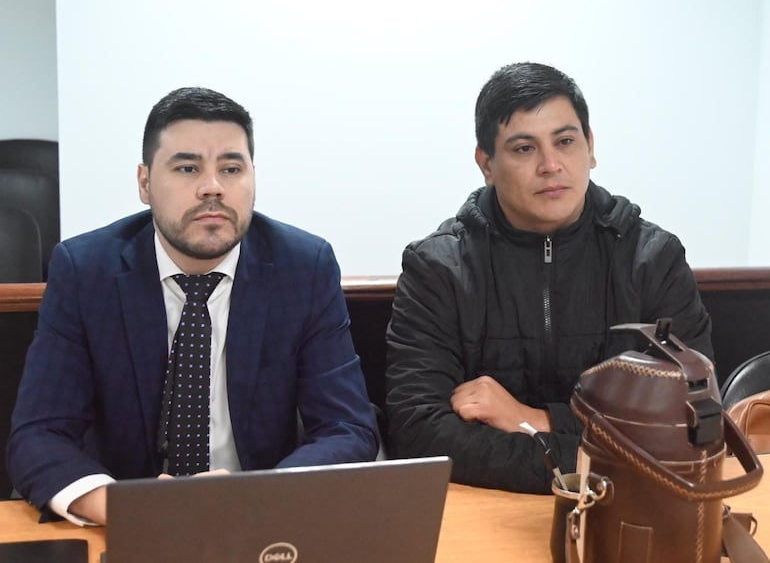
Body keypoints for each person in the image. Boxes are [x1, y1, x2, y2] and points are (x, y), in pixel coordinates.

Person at [7, 87, 379, 525]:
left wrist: (258, 496)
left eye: (231, 168)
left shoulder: (304, 267)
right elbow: (38, 434)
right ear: (145, 183)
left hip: (257, 523)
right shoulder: (86, 272)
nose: (212, 188)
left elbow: (347, 427)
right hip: (128, 526)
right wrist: (124, 506)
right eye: (187, 168)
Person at [385, 62, 712, 494]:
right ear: (486, 163)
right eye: (524, 148)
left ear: (590, 147)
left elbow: (691, 426)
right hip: (489, 513)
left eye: (565, 141)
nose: (551, 165)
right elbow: (419, 433)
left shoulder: (652, 259)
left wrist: (532, 420)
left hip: (627, 518)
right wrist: (602, 459)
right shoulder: (439, 269)